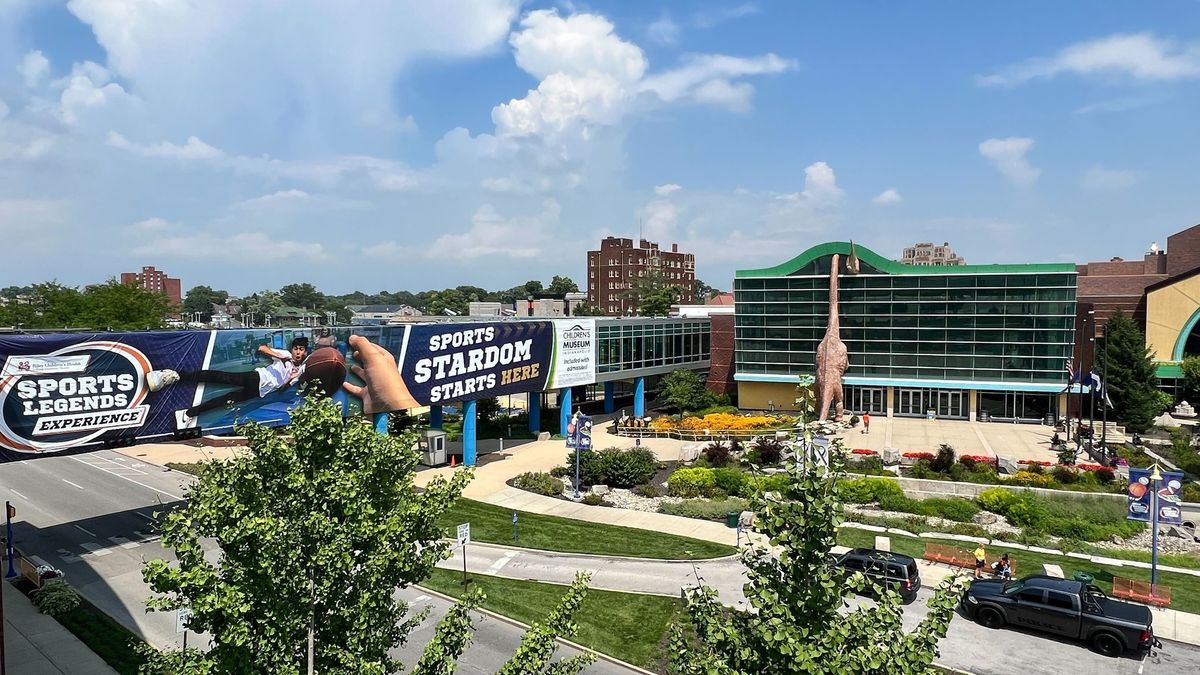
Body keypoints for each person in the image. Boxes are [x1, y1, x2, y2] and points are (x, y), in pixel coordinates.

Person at [147, 337, 312, 425]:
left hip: (260, 391)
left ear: (305, 352)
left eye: (301, 349)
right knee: (218, 376)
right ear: (292, 349)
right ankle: (174, 375)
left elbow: (282, 389)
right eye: (296, 349)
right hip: (256, 378)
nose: (298, 352)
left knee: (224, 401)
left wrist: (288, 380)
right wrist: (281, 357)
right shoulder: (285, 354)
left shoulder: (299, 370)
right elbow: (262, 348)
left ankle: (189, 413)